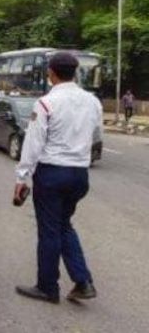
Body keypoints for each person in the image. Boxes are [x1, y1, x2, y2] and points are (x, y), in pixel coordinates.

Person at [14, 52, 102, 304]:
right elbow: (96, 133)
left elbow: (33, 143)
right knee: (63, 225)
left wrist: (22, 177)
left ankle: (47, 287)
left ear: (51, 73)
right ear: (75, 73)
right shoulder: (93, 102)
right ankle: (83, 282)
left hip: (52, 173)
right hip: (79, 174)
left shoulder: (46, 103)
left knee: (49, 231)